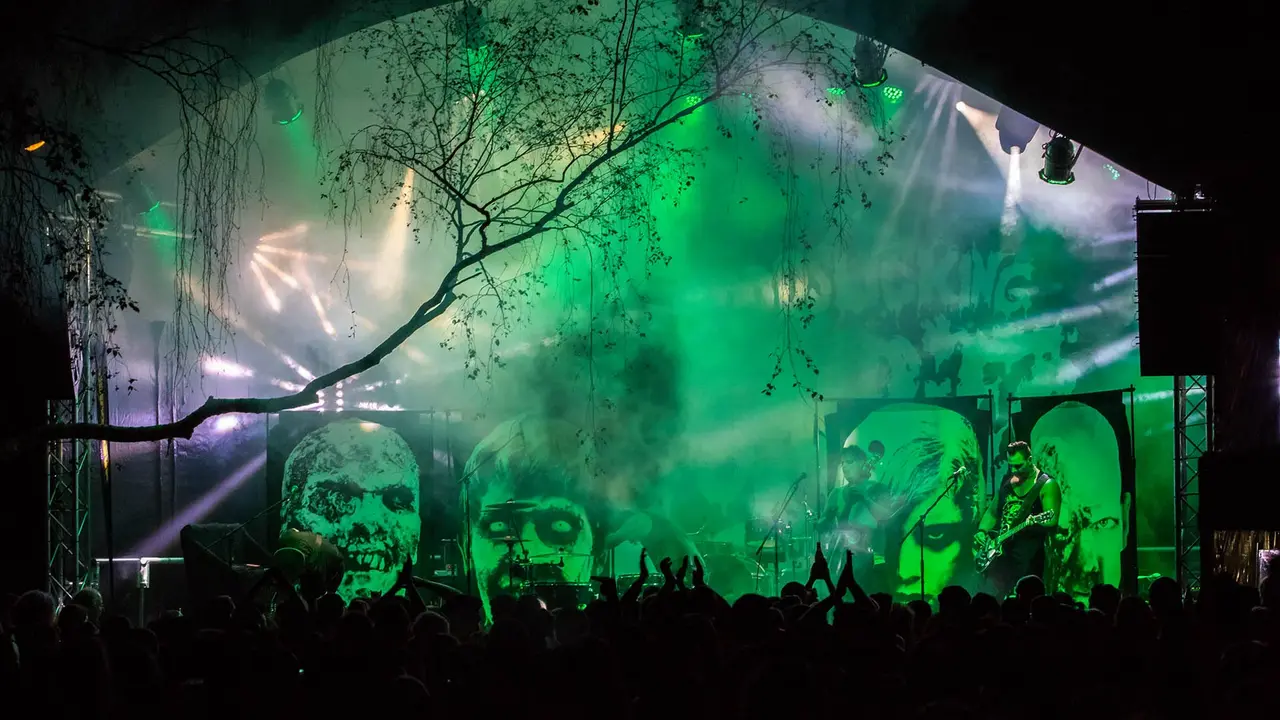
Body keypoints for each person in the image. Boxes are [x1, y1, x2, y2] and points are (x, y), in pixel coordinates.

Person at [975, 441, 1061, 599]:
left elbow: (1052, 519)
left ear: (1029, 460)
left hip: (1030, 557)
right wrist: (982, 531)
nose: (1014, 471)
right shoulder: (1007, 482)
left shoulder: (1046, 484)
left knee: (1025, 599)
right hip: (1002, 553)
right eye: (1011, 466)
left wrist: (1036, 521)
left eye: (1019, 465)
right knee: (993, 596)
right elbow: (993, 512)